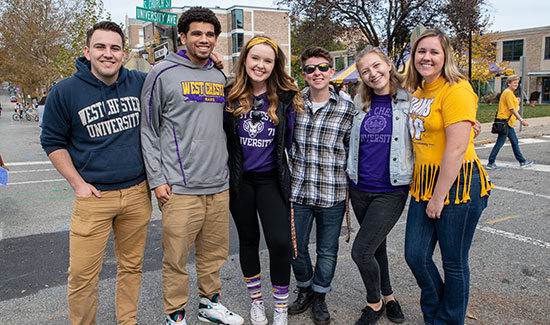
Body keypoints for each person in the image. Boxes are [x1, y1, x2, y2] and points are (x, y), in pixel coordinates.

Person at [40, 21, 152, 325]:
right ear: (87, 51)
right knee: (82, 274)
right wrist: (77, 184)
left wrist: (212, 62)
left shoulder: (141, 82)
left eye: (115, 48)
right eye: (100, 47)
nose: (108, 54)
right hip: (94, 197)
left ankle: (127, 320)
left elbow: (176, 80)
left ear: (124, 53)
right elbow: (51, 141)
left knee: (131, 267)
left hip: (136, 193)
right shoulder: (65, 91)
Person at [140, 7, 243, 325]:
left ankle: (210, 304)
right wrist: (157, 179)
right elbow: (148, 129)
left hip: (218, 184)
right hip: (179, 187)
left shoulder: (218, 76)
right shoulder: (160, 74)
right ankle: (175, 315)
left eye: (210, 34)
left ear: (217, 39)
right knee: (175, 259)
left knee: (213, 254)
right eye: (196, 33)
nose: (204, 39)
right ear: (182, 37)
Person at [403, 28, 493, 325]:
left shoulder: (457, 88)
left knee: (453, 263)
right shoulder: (418, 91)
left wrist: (438, 198)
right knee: (415, 256)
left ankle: (448, 320)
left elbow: (455, 150)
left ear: (445, 57)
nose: (426, 57)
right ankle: (436, 310)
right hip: (424, 183)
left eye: (434, 52)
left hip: (459, 185)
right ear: (413, 55)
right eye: (421, 51)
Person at [224, 36, 304, 325]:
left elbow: (291, 139)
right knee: (248, 241)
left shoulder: (285, 98)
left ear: (275, 65)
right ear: (245, 60)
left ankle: (280, 306)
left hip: (272, 180)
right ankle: (256, 302)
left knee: (280, 242)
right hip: (241, 182)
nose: (261, 65)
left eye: (267, 60)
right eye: (255, 58)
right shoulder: (230, 95)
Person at [287, 47, 354, 325]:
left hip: (332, 192)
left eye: (323, 67)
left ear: (331, 71)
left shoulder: (347, 109)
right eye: (311, 68)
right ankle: (305, 289)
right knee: (295, 247)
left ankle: (320, 295)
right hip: (298, 191)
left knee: (327, 251)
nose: (317, 73)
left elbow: (354, 149)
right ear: (303, 74)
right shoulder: (293, 104)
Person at [346, 45, 412, 325]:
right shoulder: (359, 102)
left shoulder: (410, 101)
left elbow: (431, 131)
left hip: (392, 189)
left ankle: (373, 304)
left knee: (361, 251)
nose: (372, 74)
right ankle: (389, 296)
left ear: (387, 64)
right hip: (361, 187)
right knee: (376, 246)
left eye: (376, 66)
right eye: (365, 71)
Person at [486, 75, 534, 170]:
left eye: (517, 83)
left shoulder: (510, 94)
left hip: (508, 123)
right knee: (500, 143)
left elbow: (514, 107)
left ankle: (522, 161)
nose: (516, 84)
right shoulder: (508, 93)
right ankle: (491, 163)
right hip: (505, 122)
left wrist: (517, 101)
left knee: (514, 142)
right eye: (514, 83)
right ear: (509, 83)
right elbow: (512, 109)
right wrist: (521, 120)